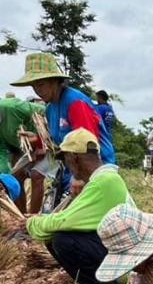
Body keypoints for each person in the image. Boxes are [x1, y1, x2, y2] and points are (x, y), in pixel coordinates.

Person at [5, 128, 131, 284]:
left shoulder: (105, 182)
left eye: (66, 160)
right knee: (55, 235)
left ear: (74, 158)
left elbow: (64, 221)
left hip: (125, 263)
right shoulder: (103, 180)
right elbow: (68, 217)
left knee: (63, 240)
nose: (68, 168)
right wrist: (40, 220)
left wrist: (31, 223)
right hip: (119, 255)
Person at [10, 52, 116, 195]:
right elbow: (56, 144)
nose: (38, 91)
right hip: (71, 169)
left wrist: (79, 178)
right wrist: (36, 140)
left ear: (55, 81)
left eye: (41, 85)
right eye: (34, 86)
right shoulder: (50, 108)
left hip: (93, 171)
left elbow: (88, 145)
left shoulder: (75, 102)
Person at [94, 90, 117, 159]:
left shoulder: (100, 108)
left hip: (100, 134)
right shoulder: (110, 108)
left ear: (100, 97)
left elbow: (95, 118)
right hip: (109, 134)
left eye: (97, 98)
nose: (97, 99)